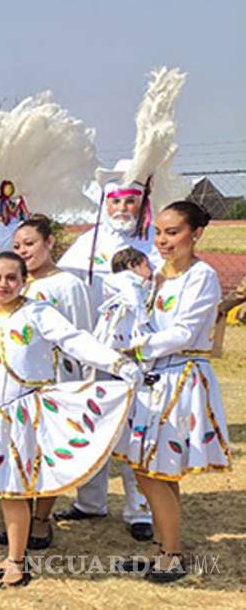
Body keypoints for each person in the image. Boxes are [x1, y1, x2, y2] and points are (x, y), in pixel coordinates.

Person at [0, 253, 142, 588]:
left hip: (26, 414)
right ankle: (15, 554)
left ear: (24, 280)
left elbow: (75, 340)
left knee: (17, 487)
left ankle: (17, 561)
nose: (3, 285)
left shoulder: (38, 312)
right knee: (9, 489)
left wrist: (116, 363)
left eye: (11, 278)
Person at [8, 217, 153, 543]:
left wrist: (84, 381)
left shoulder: (68, 284)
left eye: (30, 243)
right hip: (23, 385)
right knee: (25, 451)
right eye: (17, 246)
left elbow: (82, 335)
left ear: (49, 243)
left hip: (59, 380)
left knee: (53, 449)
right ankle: (22, 518)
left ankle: (42, 520)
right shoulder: (16, 284)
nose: (23, 251)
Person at [114, 201, 231, 583]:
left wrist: (135, 347)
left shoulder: (202, 276)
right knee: (153, 470)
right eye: (159, 233)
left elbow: (183, 332)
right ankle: (162, 547)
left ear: (195, 233)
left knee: (155, 470)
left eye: (173, 232)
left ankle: (172, 554)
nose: (163, 241)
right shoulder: (156, 274)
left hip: (180, 378)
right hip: (153, 377)